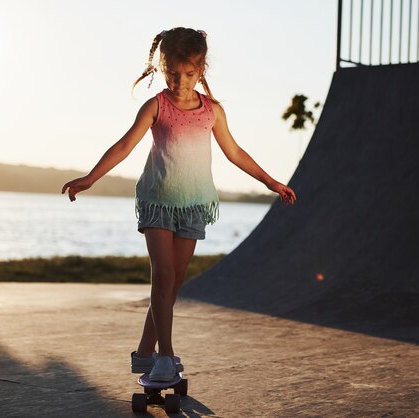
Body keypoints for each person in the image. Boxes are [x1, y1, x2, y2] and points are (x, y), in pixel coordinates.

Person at [62, 27, 296, 382]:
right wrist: (90, 178)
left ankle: (144, 353)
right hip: (158, 201)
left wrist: (272, 182)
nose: (180, 81)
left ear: (201, 70)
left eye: (188, 74)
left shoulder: (212, 112)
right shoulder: (156, 106)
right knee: (164, 274)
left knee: (175, 282)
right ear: (162, 68)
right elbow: (124, 146)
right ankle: (165, 356)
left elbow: (235, 153)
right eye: (172, 73)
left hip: (194, 205)